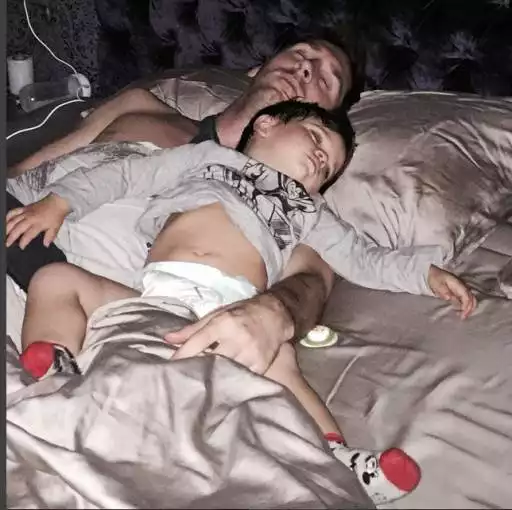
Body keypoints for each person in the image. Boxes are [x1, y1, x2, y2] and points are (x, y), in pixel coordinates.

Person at [7, 100, 476, 505]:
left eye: (328, 168)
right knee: (56, 278)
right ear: (266, 124)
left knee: (281, 357)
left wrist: (424, 274)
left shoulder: (308, 211)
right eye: (316, 139)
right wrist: (60, 202)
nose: (320, 159)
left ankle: (334, 454)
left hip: (231, 314)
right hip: (156, 295)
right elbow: (126, 174)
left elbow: (362, 257)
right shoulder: (206, 158)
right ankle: (54, 368)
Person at [7, 34, 361, 378]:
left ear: (330, 118)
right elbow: (24, 170)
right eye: (301, 53)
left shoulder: (292, 209)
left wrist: (273, 313)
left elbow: (312, 283)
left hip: (71, 301)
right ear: (257, 68)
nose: (306, 68)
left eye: (326, 80)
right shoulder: (139, 107)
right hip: (17, 220)